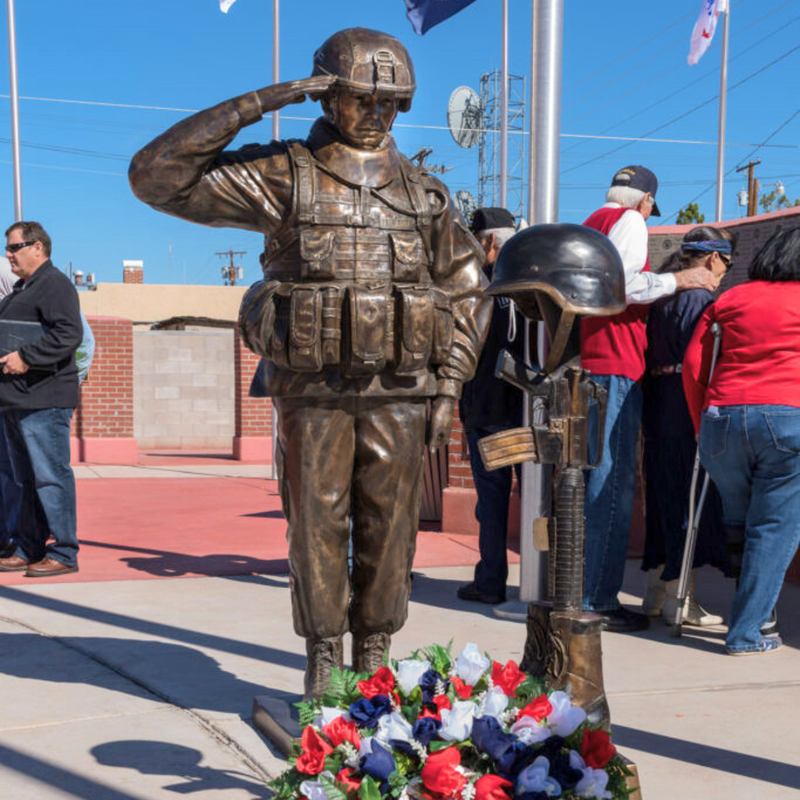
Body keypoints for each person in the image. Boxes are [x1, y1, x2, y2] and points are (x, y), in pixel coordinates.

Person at [128, 28, 490, 696]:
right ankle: (324, 658)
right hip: (314, 388)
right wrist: (268, 100)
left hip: (402, 388)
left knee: (392, 527)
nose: (379, 113)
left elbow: (467, 287)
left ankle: (376, 654)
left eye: (392, 102)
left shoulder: (425, 195)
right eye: (361, 98)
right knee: (316, 523)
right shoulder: (281, 175)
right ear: (326, 97)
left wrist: (449, 386)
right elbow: (156, 177)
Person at [581, 165, 720, 632]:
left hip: (592, 364)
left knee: (598, 485)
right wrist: (679, 282)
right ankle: (597, 598)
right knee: (613, 489)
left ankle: (589, 591)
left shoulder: (592, 223)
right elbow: (624, 285)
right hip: (615, 365)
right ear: (644, 201)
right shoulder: (631, 222)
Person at [683, 227, 800, 656]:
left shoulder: (731, 298)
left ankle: (759, 613)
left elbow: (694, 363)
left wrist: (702, 424)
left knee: (740, 517)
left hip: (722, 421)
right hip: (789, 418)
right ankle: (748, 632)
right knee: (773, 528)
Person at [641, 225, 736, 626]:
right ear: (714, 258)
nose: (725, 272)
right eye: (726, 264)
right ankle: (682, 599)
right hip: (686, 403)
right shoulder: (701, 299)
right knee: (689, 496)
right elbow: (704, 360)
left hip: (656, 401)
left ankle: (656, 592)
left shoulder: (663, 295)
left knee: (663, 492)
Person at [0, 221, 83, 577]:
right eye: (8, 248)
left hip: (44, 400)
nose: (9, 255)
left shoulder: (54, 284)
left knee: (51, 477)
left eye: (14, 247)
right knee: (24, 480)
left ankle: (64, 552)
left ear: (38, 247)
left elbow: (69, 333)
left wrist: (26, 357)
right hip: (15, 400)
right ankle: (27, 546)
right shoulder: (22, 289)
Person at [457, 207, 525, 605]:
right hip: (527, 411)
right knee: (537, 499)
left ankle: (491, 580)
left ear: (489, 242)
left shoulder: (481, 290)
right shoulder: (532, 286)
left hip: (488, 412)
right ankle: (545, 580)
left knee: (493, 503)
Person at [0, 256, 17, 554]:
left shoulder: (5, 270)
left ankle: (14, 537)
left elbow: (83, 339)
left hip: (14, 397)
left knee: (12, 472)